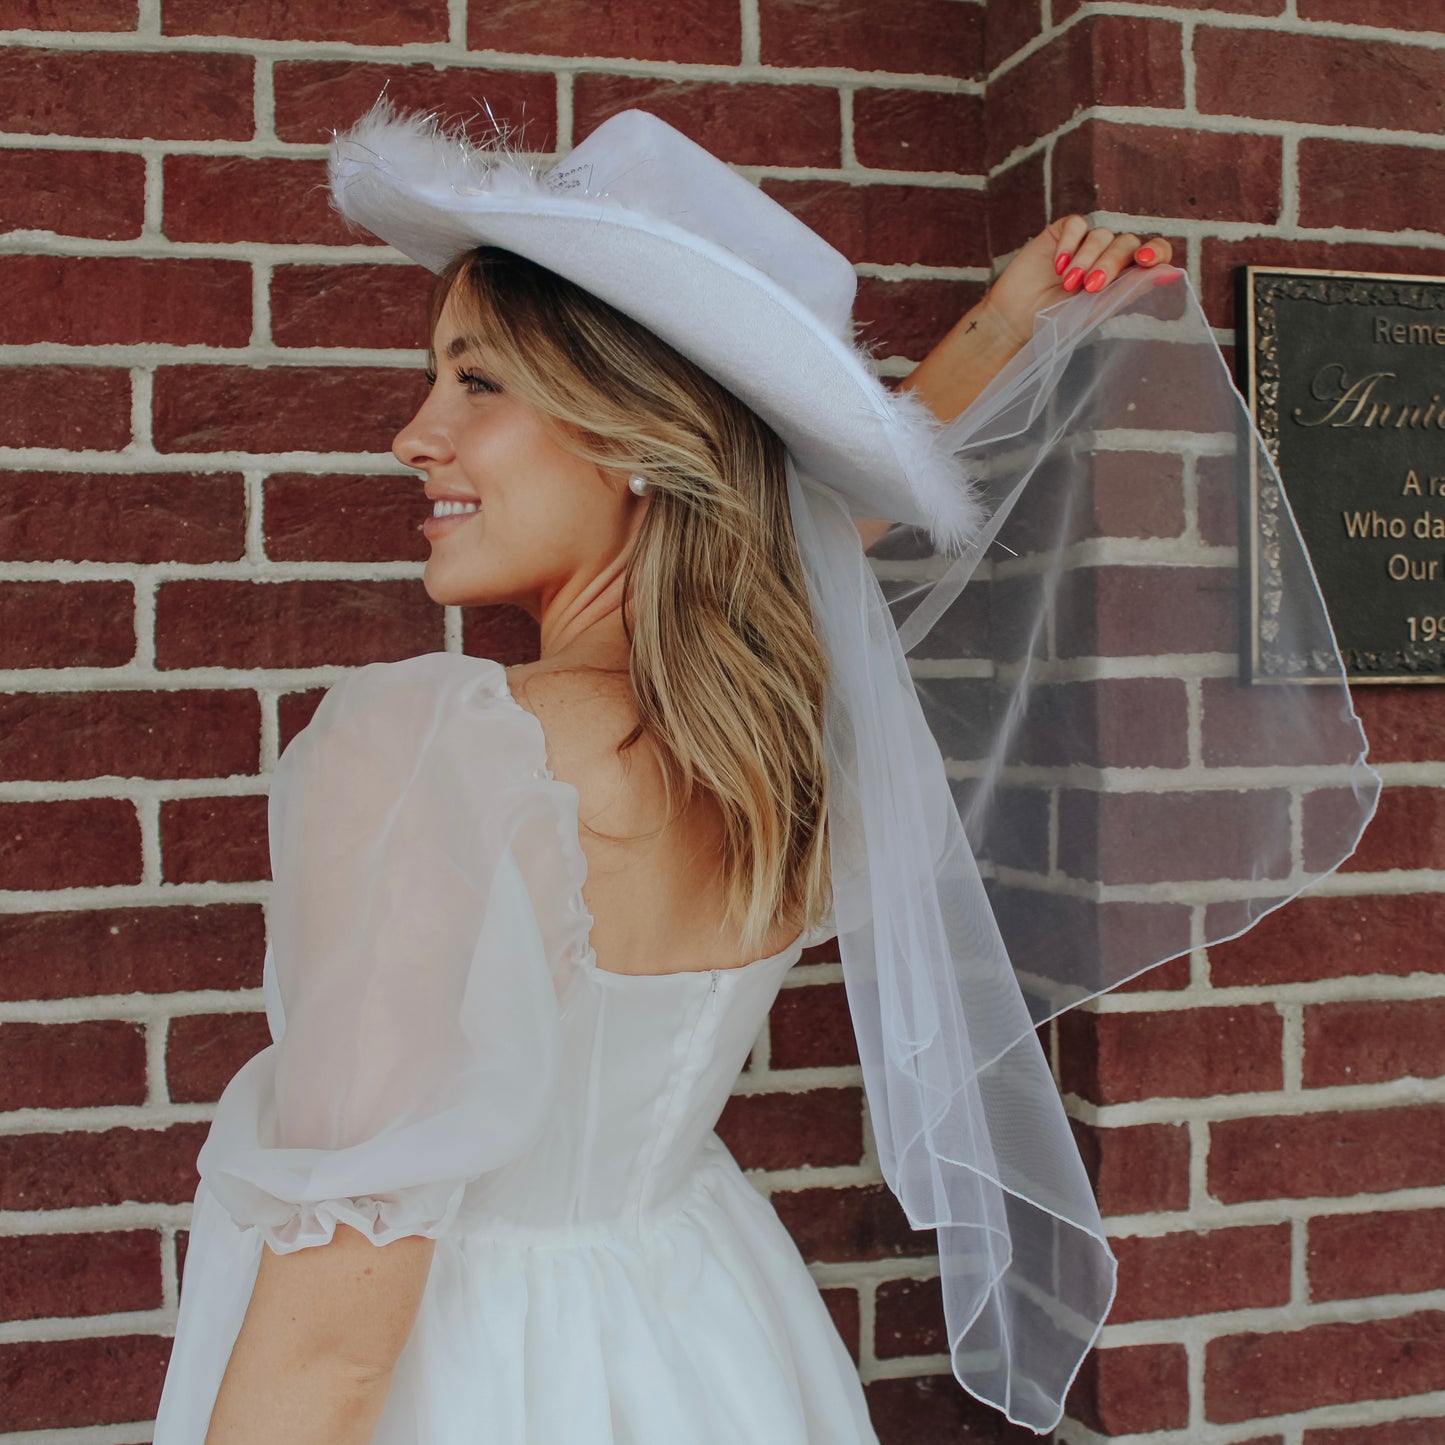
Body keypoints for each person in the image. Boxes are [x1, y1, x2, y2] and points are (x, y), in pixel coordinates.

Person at [152, 104, 1375, 1444]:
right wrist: (998, 333)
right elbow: (791, 526)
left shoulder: (438, 756)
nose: (413, 434)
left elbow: (329, 1354)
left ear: (630, 432)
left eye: (475, 382)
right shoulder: (774, 725)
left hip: (465, 1376)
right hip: (698, 1341)